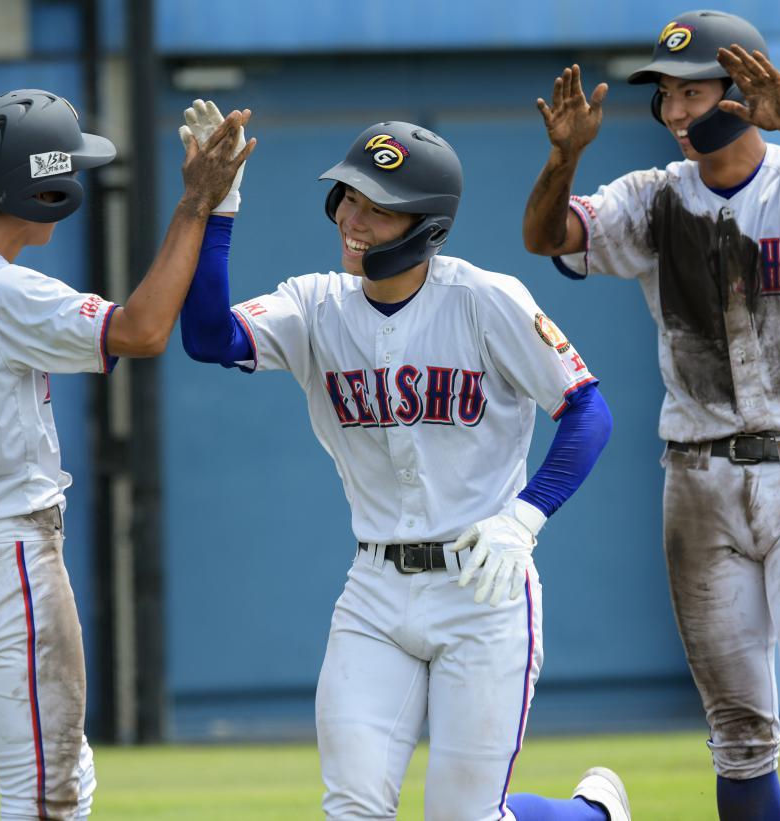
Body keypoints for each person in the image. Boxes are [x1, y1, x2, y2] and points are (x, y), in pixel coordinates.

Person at [178, 102, 628, 821]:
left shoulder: (485, 300)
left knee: (464, 818)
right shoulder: (314, 305)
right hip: (375, 589)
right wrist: (217, 205)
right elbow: (206, 337)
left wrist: (525, 517)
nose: (354, 217)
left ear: (427, 224)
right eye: (349, 196)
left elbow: (588, 410)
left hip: (482, 587)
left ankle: (595, 814)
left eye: (379, 205)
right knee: (353, 807)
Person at [521, 10, 780, 821]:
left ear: (744, 89)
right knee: (737, 728)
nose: (673, 113)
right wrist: (564, 160)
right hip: (697, 478)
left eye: (692, 93)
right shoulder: (650, 196)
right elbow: (546, 236)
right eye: (665, 95)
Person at [0, 89, 253, 819]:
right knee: (48, 797)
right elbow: (141, 331)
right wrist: (197, 206)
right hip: (3, 561)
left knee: (62, 773)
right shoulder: (2, 288)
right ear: (38, 186)